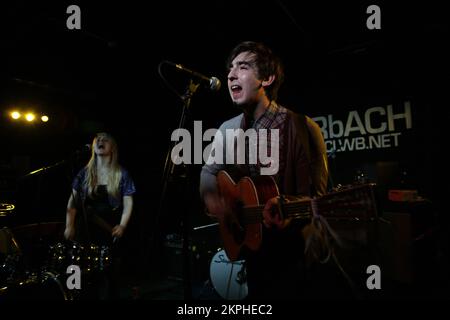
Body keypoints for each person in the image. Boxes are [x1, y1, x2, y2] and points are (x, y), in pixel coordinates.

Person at [199, 41, 329, 299]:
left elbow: (318, 198)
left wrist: (288, 210)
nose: (231, 74)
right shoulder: (227, 129)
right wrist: (213, 198)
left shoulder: (304, 128)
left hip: (296, 258)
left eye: (243, 67)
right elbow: (207, 173)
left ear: (267, 79)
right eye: (230, 68)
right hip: (253, 255)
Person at [64, 132, 136, 299]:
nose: (101, 141)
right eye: (98, 139)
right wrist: (69, 225)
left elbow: (129, 203)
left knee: (108, 275)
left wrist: (123, 225)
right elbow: (72, 203)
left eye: (106, 139)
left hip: (108, 231)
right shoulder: (84, 173)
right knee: (76, 270)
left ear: (112, 148)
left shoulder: (121, 173)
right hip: (85, 229)